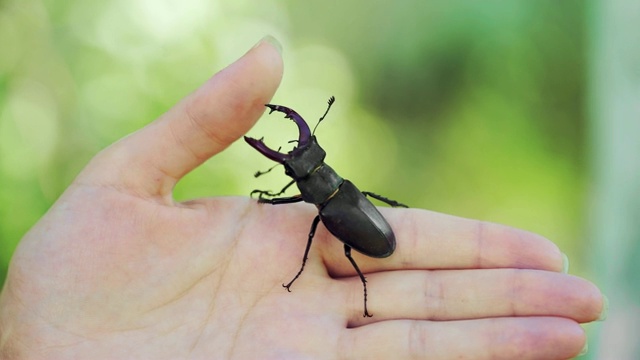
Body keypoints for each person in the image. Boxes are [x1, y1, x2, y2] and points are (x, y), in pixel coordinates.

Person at [0, 36, 605, 359]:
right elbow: (313, 207)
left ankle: (373, 246)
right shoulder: (330, 200)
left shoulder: (326, 201)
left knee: (353, 230)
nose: (302, 165)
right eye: (299, 169)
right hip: (362, 215)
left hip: (364, 219)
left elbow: (312, 205)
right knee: (356, 226)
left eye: (303, 166)